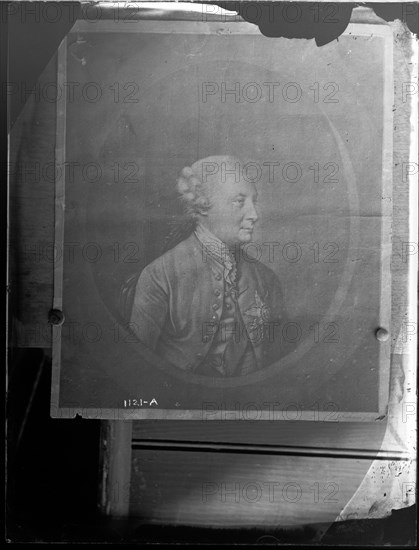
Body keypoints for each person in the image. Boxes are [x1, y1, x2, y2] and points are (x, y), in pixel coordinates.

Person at [128, 155, 287, 377]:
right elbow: (138, 369)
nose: (254, 215)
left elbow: (275, 366)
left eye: (254, 201)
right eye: (239, 201)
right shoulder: (160, 276)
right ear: (203, 206)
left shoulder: (267, 279)